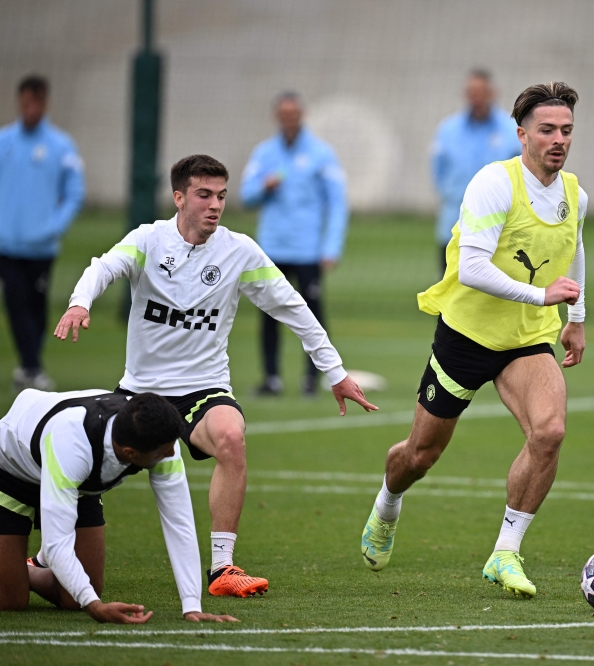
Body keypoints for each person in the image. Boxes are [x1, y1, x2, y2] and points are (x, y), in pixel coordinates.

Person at [54, 155, 376, 598]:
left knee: (231, 436)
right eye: (204, 195)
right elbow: (105, 266)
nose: (215, 205)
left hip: (204, 390)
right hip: (140, 391)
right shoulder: (148, 240)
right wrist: (79, 302)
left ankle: (222, 568)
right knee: (88, 464)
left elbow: (293, 306)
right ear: (179, 197)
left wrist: (334, 372)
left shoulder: (239, 251)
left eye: (221, 196)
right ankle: (45, 552)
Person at [360, 82, 587, 598]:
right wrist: (541, 294)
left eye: (566, 130)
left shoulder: (575, 193)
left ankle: (505, 552)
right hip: (467, 335)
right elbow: (472, 268)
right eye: (547, 129)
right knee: (419, 455)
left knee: (549, 432)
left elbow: (575, 252)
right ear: (522, 134)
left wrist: (575, 316)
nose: (558, 139)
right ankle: (387, 504)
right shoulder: (494, 182)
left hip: (527, 340)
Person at [0, 389, 235, 624]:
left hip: (79, 480)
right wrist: (94, 605)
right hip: (9, 471)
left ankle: (16, 570)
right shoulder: (72, 446)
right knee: (9, 602)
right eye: (165, 451)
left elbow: (179, 521)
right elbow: (58, 542)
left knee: (75, 598)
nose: (172, 455)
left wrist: (192, 607)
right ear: (130, 454)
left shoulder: (155, 438)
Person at [0, 74, 85, 392]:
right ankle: (32, 367)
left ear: (45, 103)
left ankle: (28, 364)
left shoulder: (61, 146)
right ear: (19, 102)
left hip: (42, 247)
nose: (31, 109)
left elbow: (74, 192)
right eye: (25, 103)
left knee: (37, 306)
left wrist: (54, 226)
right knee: (15, 302)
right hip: (5, 244)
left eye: (36, 102)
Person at [240, 92, 349, 397]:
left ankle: (311, 378)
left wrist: (331, 246)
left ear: (302, 115)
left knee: (311, 314)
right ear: (277, 116)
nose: (289, 119)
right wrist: (264, 186)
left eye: (294, 113)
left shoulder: (321, 153)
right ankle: (272, 377)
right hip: (272, 247)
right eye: (284, 114)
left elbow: (337, 203)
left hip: (307, 248)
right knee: (269, 312)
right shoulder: (264, 153)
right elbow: (246, 196)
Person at [431, 70, 522, 271]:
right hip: (453, 227)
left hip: (500, 231)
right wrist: (452, 195)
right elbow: (438, 170)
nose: (476, 98)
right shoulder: (448, 129)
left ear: (493, 93)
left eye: (481, 92)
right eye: (472, 92)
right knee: (450, 295)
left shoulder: (511, 130)